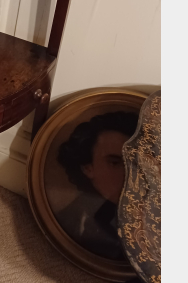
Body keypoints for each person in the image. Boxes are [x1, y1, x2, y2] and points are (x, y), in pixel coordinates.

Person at [55, 110, 138, 260]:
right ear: (87, 167)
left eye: (135, 163)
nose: (130, 174)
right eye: (115, 163)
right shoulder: (68, 220)